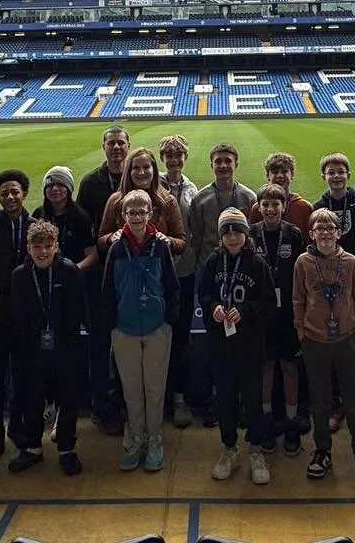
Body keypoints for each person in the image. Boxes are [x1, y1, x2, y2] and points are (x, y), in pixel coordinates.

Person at [294, 208, 355, 486]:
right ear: (312, 234)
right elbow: (298, 298)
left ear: (339, 233)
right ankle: (322, 451)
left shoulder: (350, 262)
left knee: (353, 401)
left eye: (331, 228)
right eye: (320, 228)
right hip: (315, 340)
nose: (326, 233)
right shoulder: (303, 262)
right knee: (320, 401)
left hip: (346, 338)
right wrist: (301, 329)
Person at [102, 189, 179, 472]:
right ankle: (137, 439)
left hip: (157, 327)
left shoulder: (161, 246)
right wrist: (113, 326)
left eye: (141, 212)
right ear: (123, 215)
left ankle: (154, 439)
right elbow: (107, 290)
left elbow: (172, 286)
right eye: (131, 212)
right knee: (132, 390)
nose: (136, 217)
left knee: (154, 389)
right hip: (125, 328)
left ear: (150, 214)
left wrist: (168, 320)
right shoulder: (116, 248)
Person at [199, 207, 275, 485]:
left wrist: (245, 311)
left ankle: (256, 449)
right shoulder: (213, 262)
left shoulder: (258, 264)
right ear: (220, 236)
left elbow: (269, 304)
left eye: (237, 232)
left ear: (246, 234)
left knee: (253, 399)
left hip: (250, 345)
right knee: (225, 398)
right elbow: (204, 294)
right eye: (227, 232)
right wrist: (214, 308)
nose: (232, 237)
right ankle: (229, 447)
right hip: (221, 345)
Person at [184, 142, 256, 427]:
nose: (223, 165)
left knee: (242, 342)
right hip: (212, 277)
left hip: (242, 279)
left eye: (228, 160)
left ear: (236, 163)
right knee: (213, 344)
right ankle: (216, 401)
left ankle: (242, 404)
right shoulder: (200, 200)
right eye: (218, 161)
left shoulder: (249, 197)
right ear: (211, 164)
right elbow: (197, 238)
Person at [8, 220, 86, 476]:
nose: (42, 252)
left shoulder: (69, 271)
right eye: (37, 246)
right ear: (28, 247)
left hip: (65, 349)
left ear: (56, 246)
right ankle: (33, 448)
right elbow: (17, 316)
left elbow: (78, 310)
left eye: (48, 246)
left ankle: (66, 449)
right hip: (32, 351)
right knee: (32, 399)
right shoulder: (20, 275)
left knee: (68, 399)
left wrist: (63, 341)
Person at [0, 168, 37, 456]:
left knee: (23, 371)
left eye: (15, 192)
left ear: (24, 193)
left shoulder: (36, 227)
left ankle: (16, 423)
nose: (11, 197)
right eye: (4, 193)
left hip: (27, 314)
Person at [79, 125, 132, 434]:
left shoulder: (138, 177)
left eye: (120, 142)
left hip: (131, 275)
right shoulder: (91, 183)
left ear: (128, 146)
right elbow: (85, 230)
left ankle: (127, 404)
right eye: (111, 143)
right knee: (99, 343)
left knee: (128, 343)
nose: (116, 148)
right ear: (104, 147)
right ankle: (101, 407)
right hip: (99, 277)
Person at [250, 183, 306, 456]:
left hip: (288, 314)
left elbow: (302, 272)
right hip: (262, 315)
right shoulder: (251, 234)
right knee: (266, 367)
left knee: (290, 367)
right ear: (258, 207)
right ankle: (267, 420)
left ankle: (292, 420)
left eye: (276, 204)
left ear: (284, 207)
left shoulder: (293, 234)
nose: (270, 209)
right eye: (266, 204)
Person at [158, 135, 199, 429]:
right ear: (162, 158)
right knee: (157, 337)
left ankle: (180, 397)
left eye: (178, 155)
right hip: (156, 274)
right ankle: (158, 398)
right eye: (169, 155)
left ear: (185, 157)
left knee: (181, 336)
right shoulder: (152, 186)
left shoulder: (192, 188)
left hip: (184, 271)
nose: (174, 160)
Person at [97, 148, 188, 256]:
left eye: (146, 167)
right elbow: (101, 241)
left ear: (154, 170)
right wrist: (111, 238)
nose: (141, 172)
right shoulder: (116, 201)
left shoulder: (168, 201)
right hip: (124, 265)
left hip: (157, 265)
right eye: (136, 168)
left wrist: (168, 241)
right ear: (129, 171)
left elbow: (181, 243)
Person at [314, 152, 355, 261]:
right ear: (323, 177)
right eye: (331, 172)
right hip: (328, 263)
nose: (336, 176)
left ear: (348, 175)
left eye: (341, 172)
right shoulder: (318, 208)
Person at [249, 153, 316, 233]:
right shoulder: (257, 208)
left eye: (284, 172)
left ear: (292, 174)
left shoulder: (303, 207)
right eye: (275, 172)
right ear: (267, 176)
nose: (280, 176)